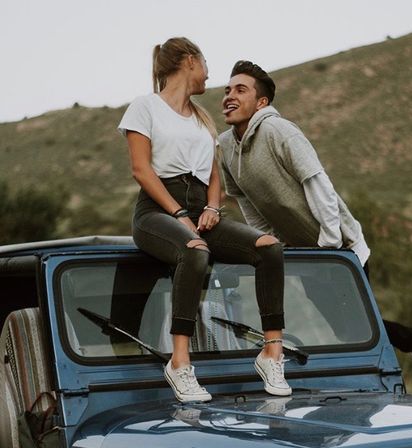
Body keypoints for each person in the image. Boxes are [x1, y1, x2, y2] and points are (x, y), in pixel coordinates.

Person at [218, 60, 412, 399]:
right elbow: (247, 201)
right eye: (227, 89)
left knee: (357, 330)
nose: (229, 96)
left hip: (340, 246)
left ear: (262, 103)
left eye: (240, 90)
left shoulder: (279, 131)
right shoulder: (226, 146)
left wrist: (330, 246)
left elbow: (318, 184)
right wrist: (265, 240)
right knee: (349, 330)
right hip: (308, 251)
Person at [118, 40, 291, 403]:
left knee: (269, 247)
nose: (210, 75)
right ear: (190, 62)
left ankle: (272, 353)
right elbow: (141, 169)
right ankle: (180, 362)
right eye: (206, 65)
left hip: (202, 213)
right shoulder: (144, 107)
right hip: (156, 211)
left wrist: (212, 207)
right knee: (195, 252)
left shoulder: (202, 117)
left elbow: (214, 176)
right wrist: (179, 214)